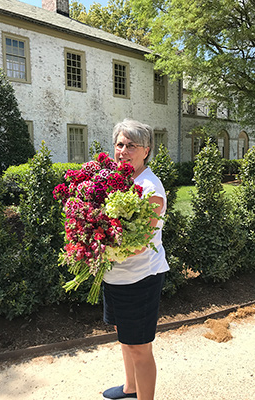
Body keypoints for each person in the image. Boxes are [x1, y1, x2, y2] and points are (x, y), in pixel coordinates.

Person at [102, 119, 169, 400]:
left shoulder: (150, 189)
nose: (123, 151)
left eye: (131, 145)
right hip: (115, 276)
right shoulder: (117, 181)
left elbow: (140, 245)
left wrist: (96, 250)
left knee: (139, 347)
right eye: (120, 144)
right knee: (124, 336)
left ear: (146, 151)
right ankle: (130, 388)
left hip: (139, 278)